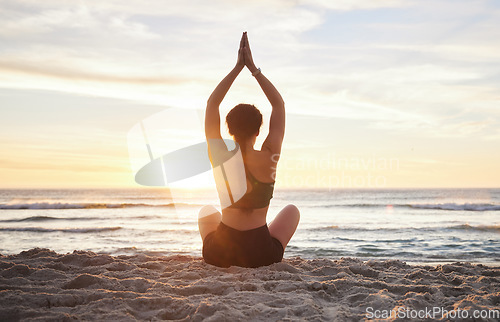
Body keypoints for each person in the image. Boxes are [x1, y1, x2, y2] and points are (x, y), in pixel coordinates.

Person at [198, 32, 300, 268]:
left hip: (220, 253)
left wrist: (236, 68)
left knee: (206, 211)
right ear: (258, 131)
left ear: (229, 130)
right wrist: (253, 69)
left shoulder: (219, 155)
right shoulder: (269, 156)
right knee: (292, 211)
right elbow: (278, 105)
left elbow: (212, 104)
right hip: (262, 254)